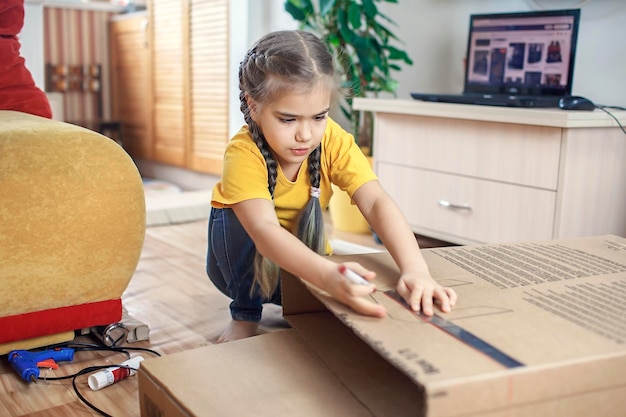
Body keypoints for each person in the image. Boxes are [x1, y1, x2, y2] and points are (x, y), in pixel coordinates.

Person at [206, 30, 457, 343]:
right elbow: (264, 232)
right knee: (235, 216)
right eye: (288, 119)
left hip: (298, 260)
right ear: (253, 106)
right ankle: (245, 313)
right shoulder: (242, 153)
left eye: (318, 117)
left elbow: (376, 201)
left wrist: (415, 269)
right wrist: (325, 276)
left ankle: (302, 294)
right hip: (243, 264)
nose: (305, 135)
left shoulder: (333, 140)